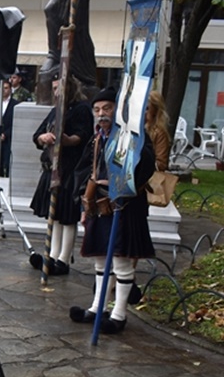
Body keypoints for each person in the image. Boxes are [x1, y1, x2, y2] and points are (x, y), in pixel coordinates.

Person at [70, 86, 155, 334]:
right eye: (97, 110)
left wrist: (123, 179)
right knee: (100, 258)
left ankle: (119, 314)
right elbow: (85, 169)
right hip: (100, 205)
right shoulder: (97, 138)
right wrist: (84, 201)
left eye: (107, 108)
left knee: (120, 260)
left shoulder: (134, 136)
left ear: (117, 110)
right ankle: (98, 307)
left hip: (125, 205)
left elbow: (147, 165)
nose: (101, 114)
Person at [30, 72, 91, 274]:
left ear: (71, 88)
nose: (57, 92)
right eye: (55, 88)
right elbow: (37, 135)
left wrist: (67, 140)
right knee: (54, 215)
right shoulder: (56, 110)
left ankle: (63, 260)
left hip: (70, 170)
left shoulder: (82, 109)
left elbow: (83, 137)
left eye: (60, 88)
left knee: (67, 216)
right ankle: (52, 256)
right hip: (52, 168)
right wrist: (43, 138)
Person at [144, 90, 171, 172]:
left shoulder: (160, 133)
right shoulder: (136, 128)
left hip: (149, 175)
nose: (143, 112)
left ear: (155, 111)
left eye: (147, 108)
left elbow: (161, 164)